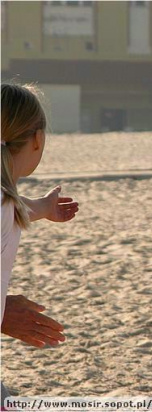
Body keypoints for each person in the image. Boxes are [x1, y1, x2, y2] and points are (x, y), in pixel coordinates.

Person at [1, 83, 79, 402]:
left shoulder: (7, 203)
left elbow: (15, 209)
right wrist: (3, 314)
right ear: (37, 139)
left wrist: (44, 208)